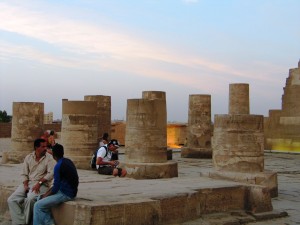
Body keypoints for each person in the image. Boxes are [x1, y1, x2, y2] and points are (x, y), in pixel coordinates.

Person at [7, 138, 55, 225]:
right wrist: (25, 185)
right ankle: (20, 222)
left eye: (46, 146)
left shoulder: (49, 158)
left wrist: (39, 183)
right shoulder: (28, 157)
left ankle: (26, 222)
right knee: (11, 199)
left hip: (42, 185)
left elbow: (51, 173)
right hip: (29, 183)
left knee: (30, 199)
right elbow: (24, 173)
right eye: (43, 146)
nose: (45, 148)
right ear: (36, 148)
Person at [33, 143, 79, 225]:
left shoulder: (58, 166)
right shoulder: (67, 161)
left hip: (66, 194)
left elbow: (55, 187)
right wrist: (44, 196)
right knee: (39, 199)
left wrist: (45, 195)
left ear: (54, 155)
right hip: (68, 190)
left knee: (38, 205)